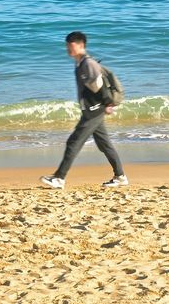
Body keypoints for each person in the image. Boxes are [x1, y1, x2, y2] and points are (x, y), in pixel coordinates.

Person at [41, 31, 128, 189]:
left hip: (94, 110)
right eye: (67, 45)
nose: (68, 48)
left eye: (70, 45)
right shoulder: (80, 63)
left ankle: (59, 178)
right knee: (105, 144)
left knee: (73, 142)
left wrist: (108, 103)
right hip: (91, 109)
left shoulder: (88, 63)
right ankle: (120, 176)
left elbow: (100, 86)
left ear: (81, 45)